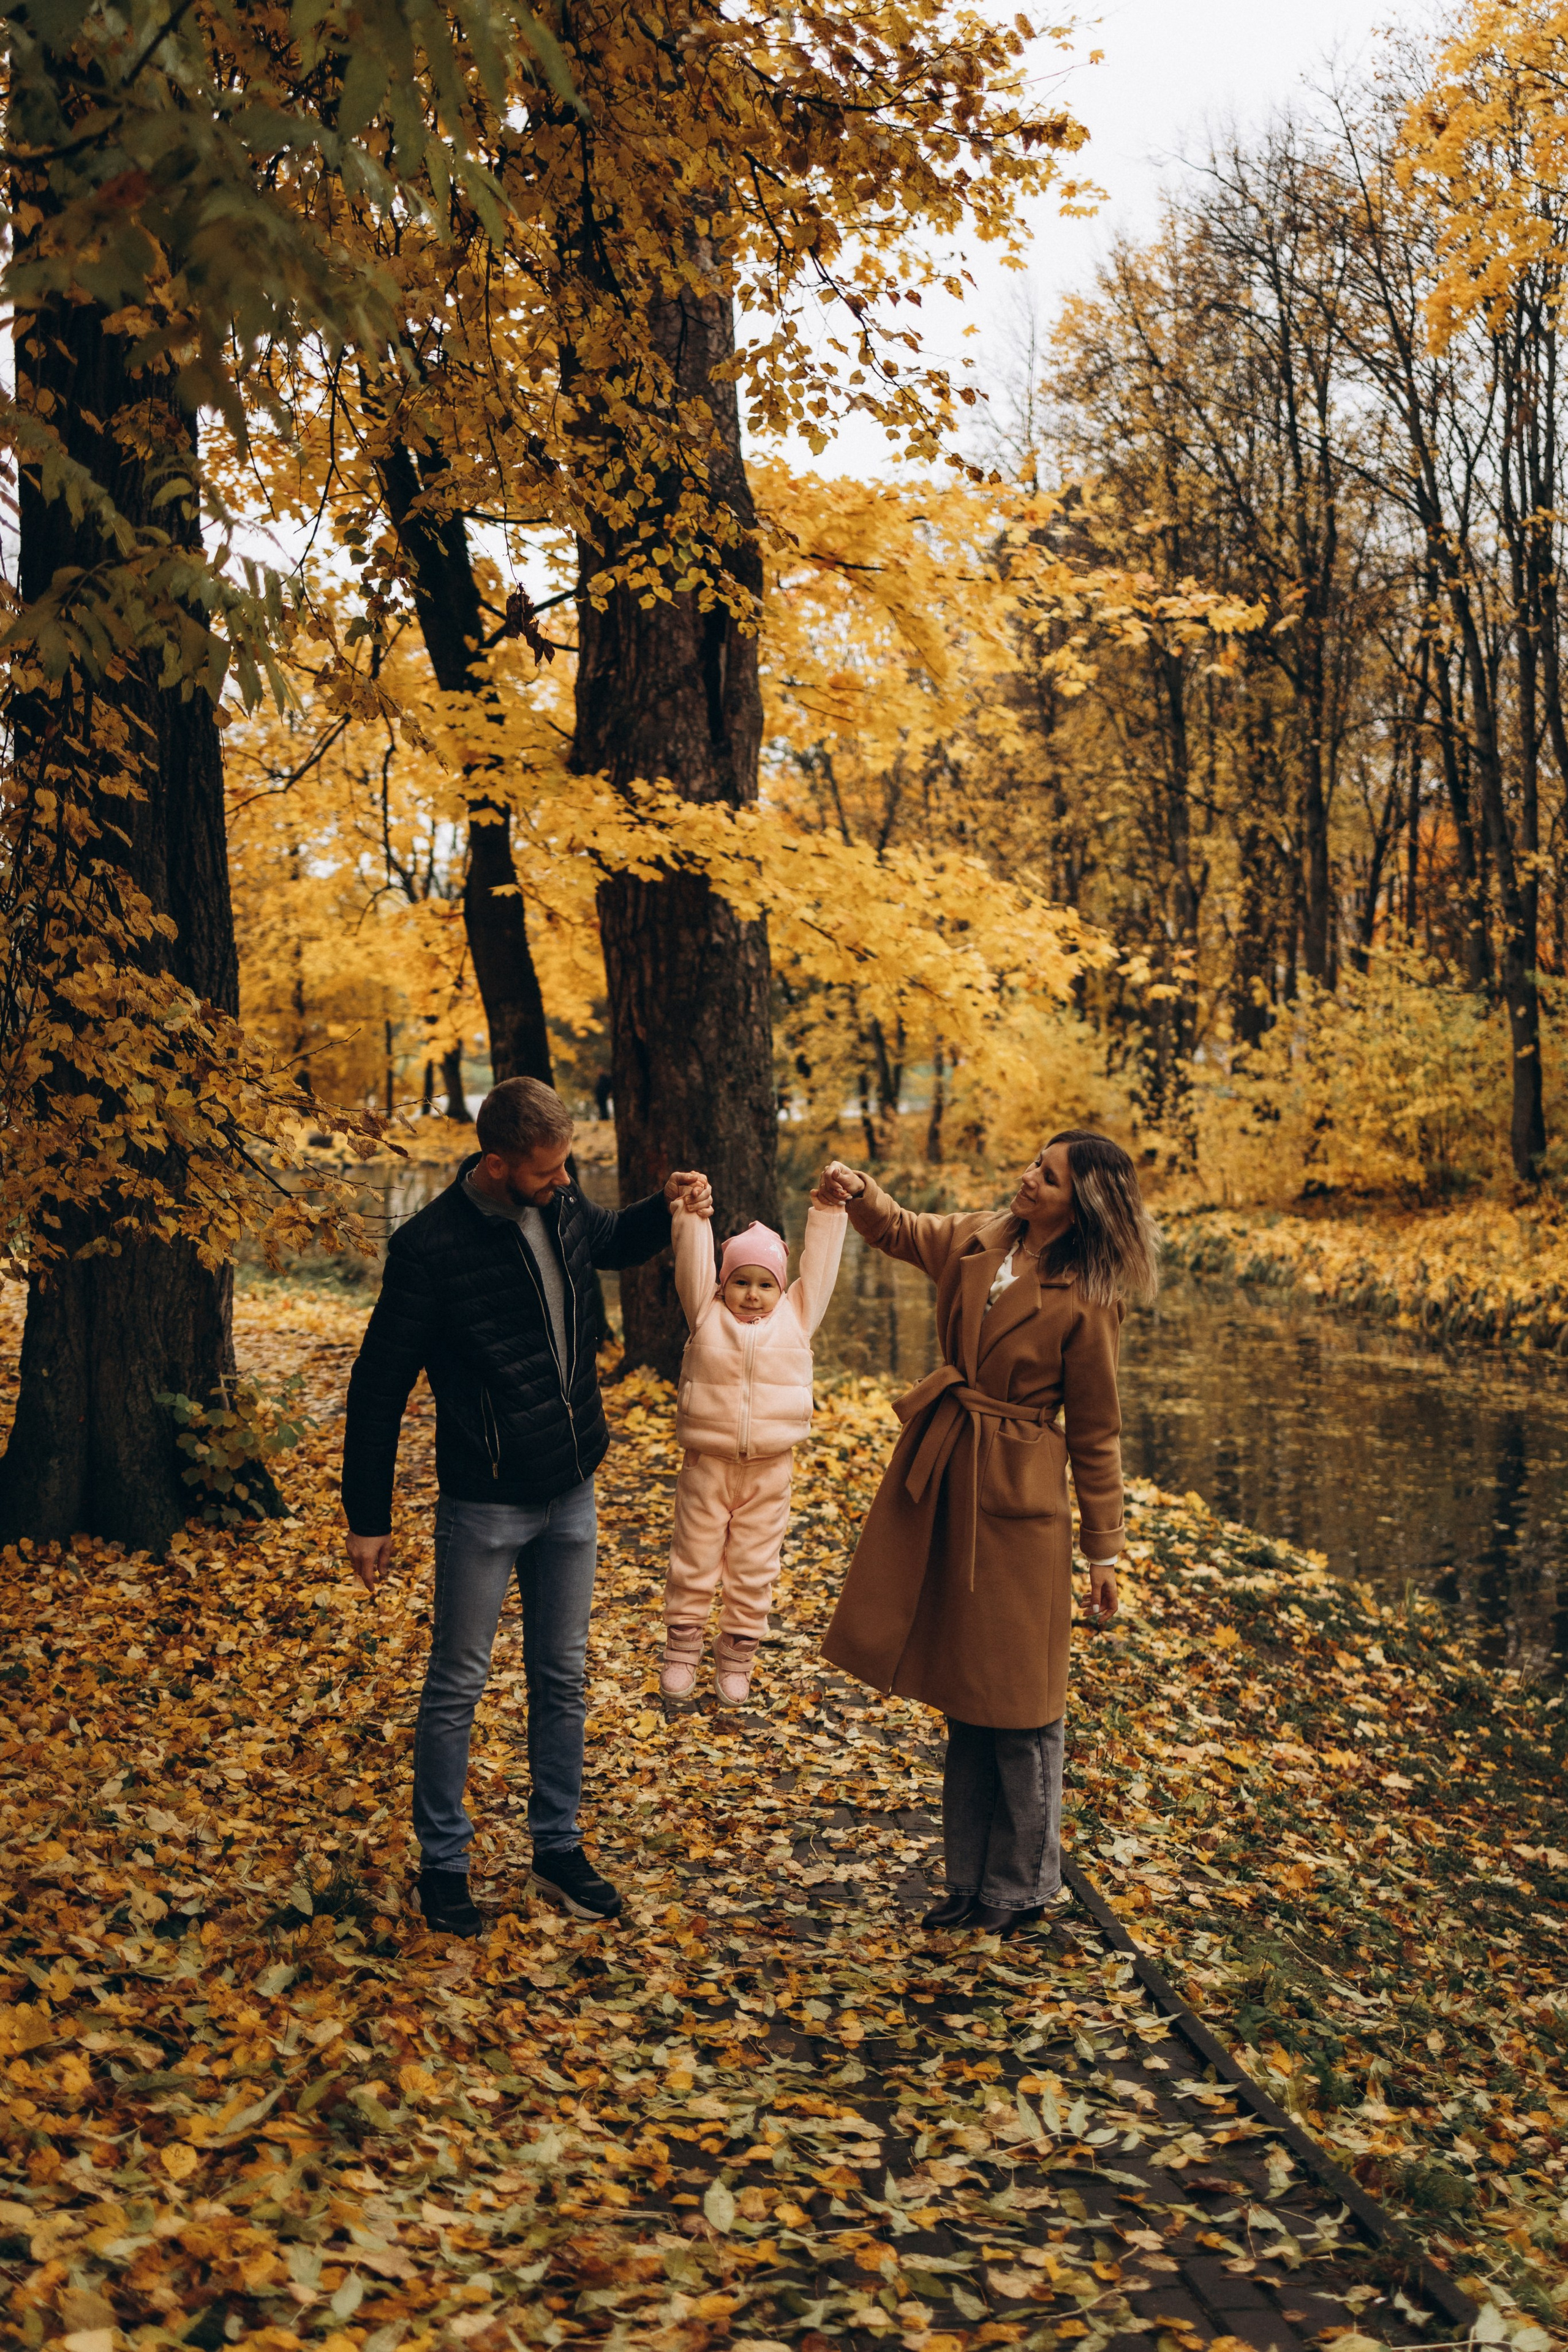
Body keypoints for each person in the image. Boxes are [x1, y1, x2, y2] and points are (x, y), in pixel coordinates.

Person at [341, 1074, 711, 1935]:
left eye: (567, 1166)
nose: (563, 1182)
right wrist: (369, 1515)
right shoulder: (429, 1248)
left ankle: (557, 1850)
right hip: (485, 1502)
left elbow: (614, 1240)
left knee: (562, 1677)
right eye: (546, 1172)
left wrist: (670, 1204)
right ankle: (443, 1865)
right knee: (457, 1685)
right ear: (498, 1164)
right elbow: (377, 1386)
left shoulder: (565, 1207)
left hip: (572, 1487)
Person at [816, 1133, 1158, 1938]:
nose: (1028, 1180)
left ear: (1084, 1203)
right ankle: (968, 1882)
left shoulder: (1088, 1296)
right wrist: (861, 1192)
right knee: (968, 1703)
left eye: (1048, 1177)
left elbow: (1099, 1432)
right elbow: (904, 1230)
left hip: (1021, 1505)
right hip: (951, 1480)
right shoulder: (983, 1236)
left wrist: (1104, 1553)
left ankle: (1023, 1888)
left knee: (1023, 1711)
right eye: (1034, 1166)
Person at [660, 1182, 848, 1706]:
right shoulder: (706, 1312)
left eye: (765, 1284)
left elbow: (824, 1267)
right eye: (740, 1281)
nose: (751, 1293)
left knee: (754, 1566)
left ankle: (738, 1656)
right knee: (694, 1558)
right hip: (708, 1464)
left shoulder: (797, 1318)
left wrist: (829, 1210)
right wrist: (692, 1214)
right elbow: (692, 1261)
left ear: (780, 1289)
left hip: (770, 1469)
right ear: (723, 1285)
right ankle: (682, 1650)